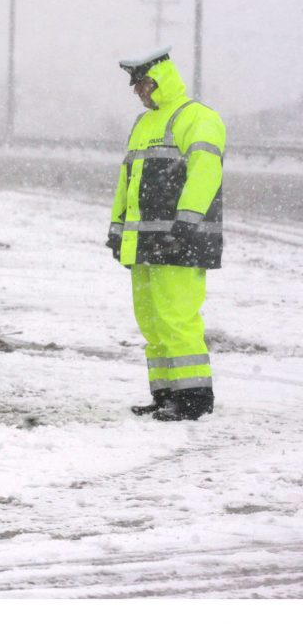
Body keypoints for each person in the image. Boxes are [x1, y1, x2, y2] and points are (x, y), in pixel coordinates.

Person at [108, 47, 225, 421]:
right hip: (145, 241)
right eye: (136, 86)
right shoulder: (143, 125)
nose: (137, 91)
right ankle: (165, 394)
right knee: (152, 320)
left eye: (141, 83)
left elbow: (206, 172)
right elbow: (127, 182)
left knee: (177, 318)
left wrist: (186, 224)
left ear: (159, 80)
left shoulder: (197, 118)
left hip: (181, 240)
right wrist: (116, 228)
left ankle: (193, 399)